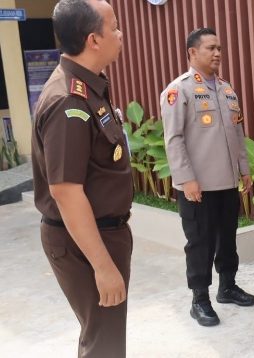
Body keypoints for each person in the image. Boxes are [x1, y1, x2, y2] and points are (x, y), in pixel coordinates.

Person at [31, 0, 130, 356]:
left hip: (102, 233)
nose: (120, 34)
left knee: (106, 334)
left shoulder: (89, 88)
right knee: (103, 342)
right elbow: (66, 191)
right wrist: (103, 267)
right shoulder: (67, 102)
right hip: (85, 243)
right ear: (94, 39)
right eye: (115, 26)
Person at [160, 27, 254, 328]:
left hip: (226, 182)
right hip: (197, 187)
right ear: (192, 53)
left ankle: (227, 287)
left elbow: (237, 134)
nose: (217, 53)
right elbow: (173, 139)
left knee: (227, 238)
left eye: (219, 48)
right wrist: (186, 179)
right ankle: (199, 299)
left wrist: (243, 169)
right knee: (199, 243)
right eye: (210, 48)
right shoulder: (179, 91)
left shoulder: (227, 89)